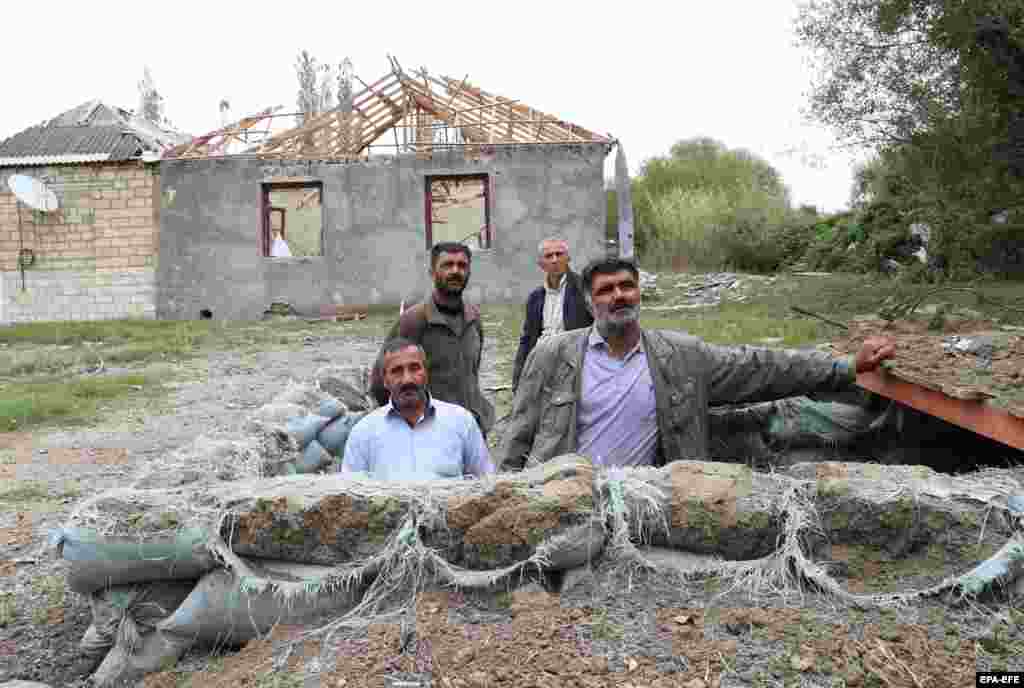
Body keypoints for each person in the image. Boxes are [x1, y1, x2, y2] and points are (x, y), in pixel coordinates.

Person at [499, 257, 896, 471]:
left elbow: (761, 367)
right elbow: (520, 433)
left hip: (646, 501)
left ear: (639, 294)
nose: (619, 296)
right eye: (606, 290)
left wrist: (845, 367)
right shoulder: (553, 354)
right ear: (589, 302)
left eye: (627, 286)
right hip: (567, 496)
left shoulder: (680, 355)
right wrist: (504, 492)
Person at [370, 242, 495, 436]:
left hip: (471, 430)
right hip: (430, 433)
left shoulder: (473, 318)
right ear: (432, 272)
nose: (455, 271)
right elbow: (380, 382)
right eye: (447, 265)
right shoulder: (413, 321)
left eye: (462, 266)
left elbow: (472, 374)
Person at [343, 338, 495, 480]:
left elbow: (486, 483)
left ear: (426, 373)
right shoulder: (363, 433)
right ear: (385, 381)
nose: (407, 379)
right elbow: (350, 497)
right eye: (396, 371)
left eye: (414, 368)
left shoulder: (462, 422)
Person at [512, 237, 594, 391]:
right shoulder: (535, 297)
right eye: (549, 256)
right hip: (540, 365)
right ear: (541, 264)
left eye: (559, 254)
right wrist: (517, 379)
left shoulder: (584, 288)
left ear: (568, 258)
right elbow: (527, 339)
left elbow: (600, 329)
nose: (555, 260)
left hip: (573, 366)